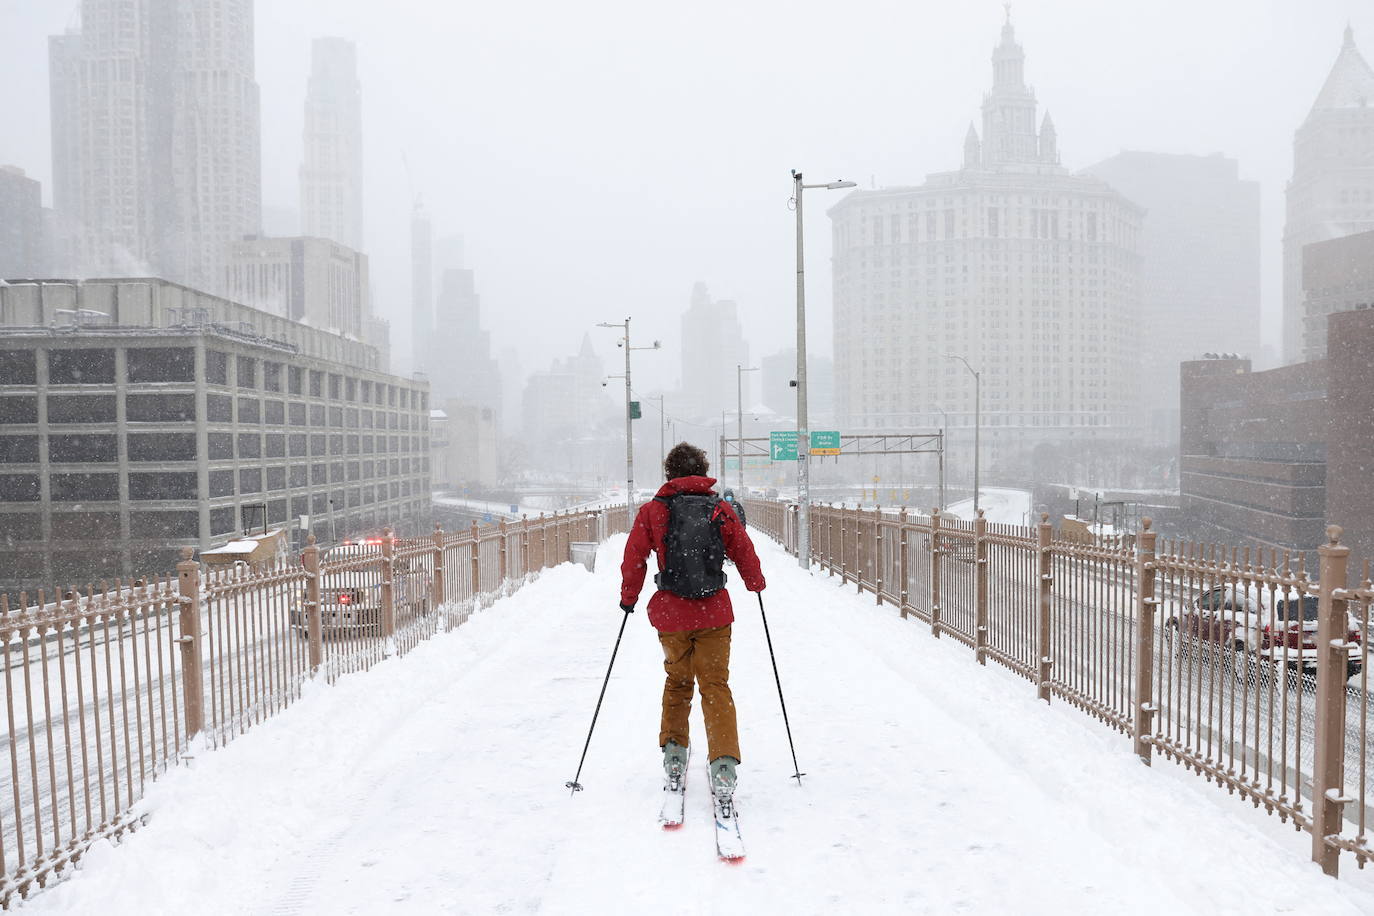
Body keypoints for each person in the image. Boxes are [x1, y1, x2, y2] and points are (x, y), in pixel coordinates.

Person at [619, 442, 765, 800]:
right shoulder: (720, 508)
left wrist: (629, 598)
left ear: (669, 473)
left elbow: (635, 557)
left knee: (678, 682)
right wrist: (755, 582)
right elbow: (743, 548)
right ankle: (724, 766)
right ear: (702, 471)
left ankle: (674, 754)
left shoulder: (653, 511)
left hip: (672, 615)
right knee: (715, 686)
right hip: (714, 611)